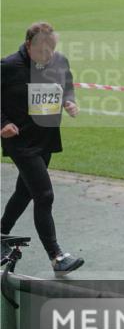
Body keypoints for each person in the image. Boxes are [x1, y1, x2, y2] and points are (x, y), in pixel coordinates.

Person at [1, 22, 84, 276]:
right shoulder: (8, 66)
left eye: (52, 50)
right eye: (43, 51)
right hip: (20, 141)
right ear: (29, 45)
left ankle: (1, 235)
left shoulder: (58, 61)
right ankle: (57, 256)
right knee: (44, 195)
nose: (48, 57)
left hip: (45, 137)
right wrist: (2, 123)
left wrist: (69, 101)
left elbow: (66, 84)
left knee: (24, 193)